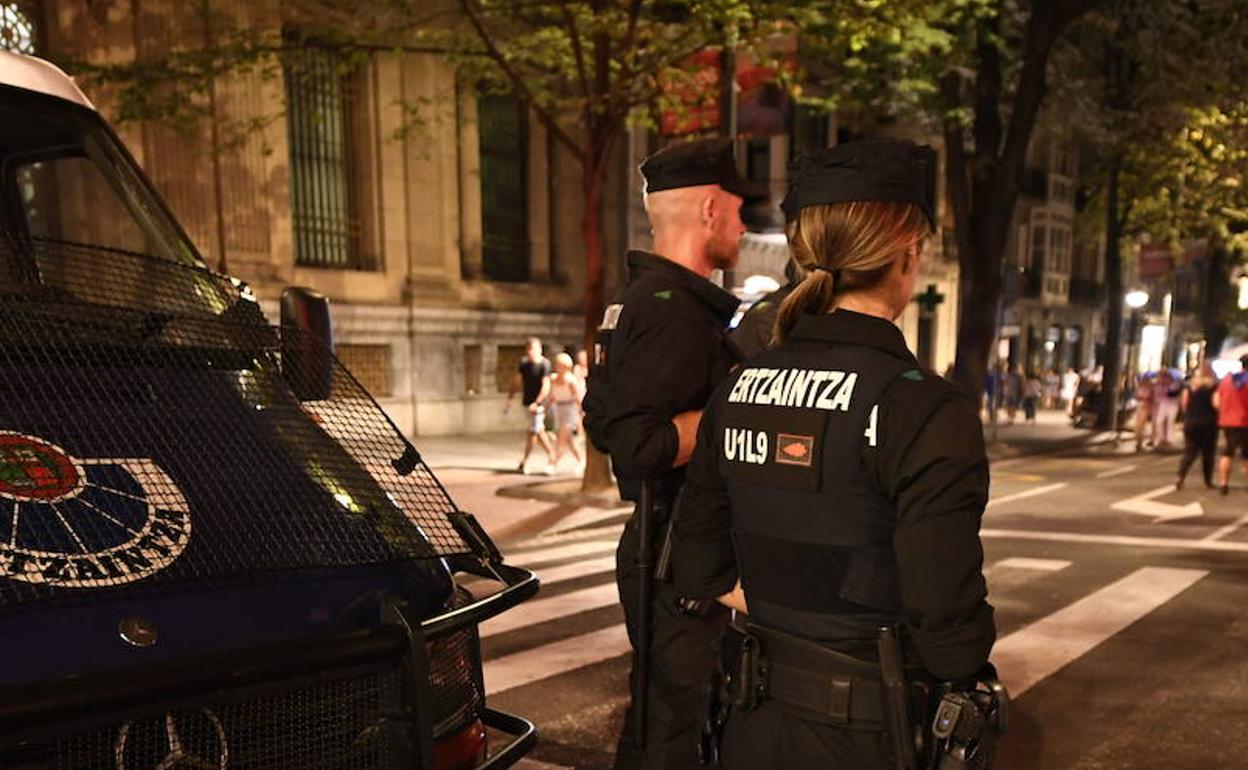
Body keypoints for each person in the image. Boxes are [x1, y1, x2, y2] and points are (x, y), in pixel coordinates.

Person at [672, 141, 997, 770]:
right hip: (866, 730)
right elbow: (945, 619)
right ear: (908, 256)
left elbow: (697, 566)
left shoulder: (739, 386)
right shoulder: (924, 409)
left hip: (751, 720)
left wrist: (785, 609)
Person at [582, 137, 764, 770]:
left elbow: (601, 419)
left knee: (660, 718)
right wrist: (739, 409)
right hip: (673, 554)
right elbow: (637, 444)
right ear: (711, 210)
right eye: (740, 214)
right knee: (674, 734)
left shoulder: (642, 301)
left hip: (662, 550)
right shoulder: (671, 311)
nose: (744, 228)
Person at [506, 337, 555, 474]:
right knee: (537, 432)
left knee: (533, 432)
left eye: (532, 349)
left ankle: (527, 461)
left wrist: (537, 402)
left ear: (539, 349)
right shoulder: (524, 364)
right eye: (528, 349)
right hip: (527, 402)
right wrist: (510, 396)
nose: (530, 352)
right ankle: (550, 456)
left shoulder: (545, 364)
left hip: (539, 405)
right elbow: (517, 380)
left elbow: (546, 386)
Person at [1176, 363, 1219, 490]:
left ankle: (1180, 476)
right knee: (1208, 454)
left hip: (1191, 422)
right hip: (1208, 423)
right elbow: (1216, 404)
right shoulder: (1214, 387)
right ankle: (1207, 481)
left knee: (1189, 451)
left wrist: (1189, 414)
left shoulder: (1190, 387)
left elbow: (1184, 404)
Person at [1214, 354, 1248, 495]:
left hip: (1227, 421)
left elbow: (1216, 402)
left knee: (1228, 452)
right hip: (1246, 421)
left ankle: (1224, 484)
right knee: (1246, 454)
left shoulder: (1227, 380)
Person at [548, 352, 586, 470]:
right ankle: (581, 460)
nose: (558, 367)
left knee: (562, 438)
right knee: (570, 440)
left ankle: (552, 463)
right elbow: (552, 395)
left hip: (570, 410)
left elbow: (577, 398)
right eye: (557, 365)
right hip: (559, 408)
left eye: (561, 365)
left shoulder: (571, 380)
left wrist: (582, 412)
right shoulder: (553, 378)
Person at [1152, 369, 1182, 449]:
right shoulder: (1158, 385)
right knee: (1159, 421)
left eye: (1164, 376)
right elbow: (1157, 396)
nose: (1162, 379)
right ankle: (1161, 438)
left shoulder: (1174, 384)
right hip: (1163, 404)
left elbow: (1172, 393)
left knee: (1170, 422)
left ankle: (1169, 439)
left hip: (1172, 404)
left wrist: (1166, 387)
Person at [1133, 373, 1155, 451]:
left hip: (1146, 407)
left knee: (1141, 426)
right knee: (1137, 426)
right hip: (1139, 407)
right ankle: (1138, 442)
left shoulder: (1151, 389)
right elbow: (1136, 396)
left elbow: (1151, 398)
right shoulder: (1140, 388)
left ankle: (1140, 443)